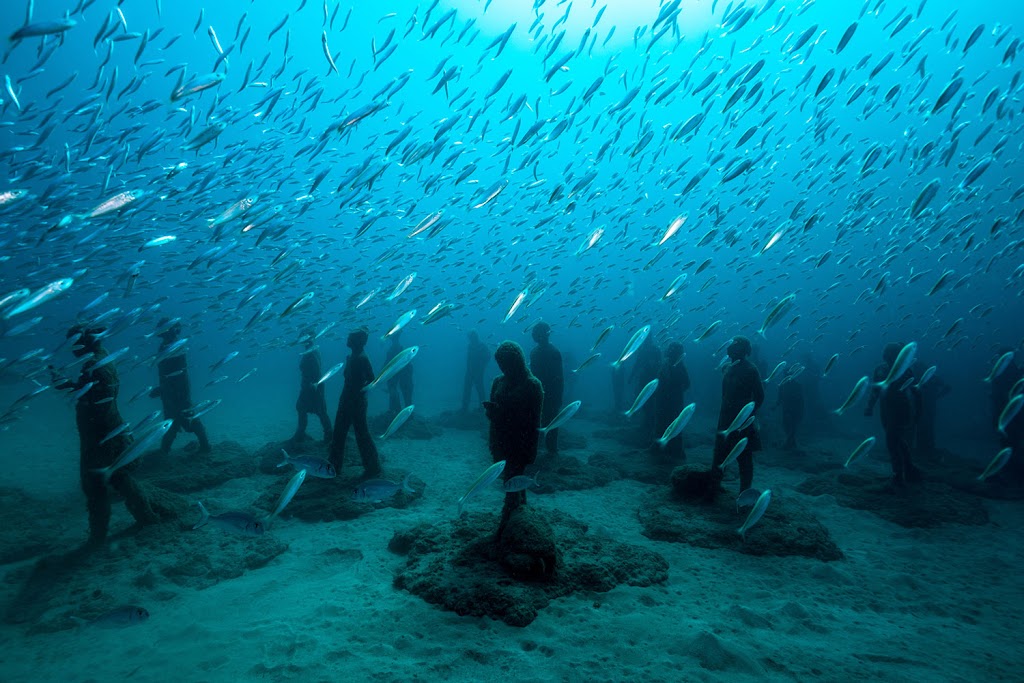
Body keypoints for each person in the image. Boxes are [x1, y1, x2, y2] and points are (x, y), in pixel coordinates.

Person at [52, 325, 159, 547]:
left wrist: (72, 390)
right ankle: (146, 518)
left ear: (86, 342)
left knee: (95, 487)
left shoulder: (94, 365)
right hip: (109, 430)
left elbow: (95, 401)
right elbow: (94, 394)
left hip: (99, 436)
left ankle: (98, 537)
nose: (72, 350)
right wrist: (71, 386)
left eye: (75, 344)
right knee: (119, 478)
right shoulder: (102, 357)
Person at [484, 341, 543, 536]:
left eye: (506, 363)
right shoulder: (498, 382)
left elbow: (534, 421)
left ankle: (509, 527)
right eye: (500, 364)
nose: (502, 368)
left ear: (517, 361)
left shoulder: (532, 385)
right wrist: (492, 413)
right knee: (514, 485)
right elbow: (495, 415)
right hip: (500, 441)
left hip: (519, 442)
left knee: (512, 485)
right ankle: (520, 523)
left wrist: (531, 450)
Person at [710, 336, 765, 498]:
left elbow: (759, 396)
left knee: (744, 456)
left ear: (743, 350)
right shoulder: (727, 368)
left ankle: (744, 492)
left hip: (742, 421)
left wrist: (748, 416)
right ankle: (714, 487)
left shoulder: (751, 369)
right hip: (725, 419)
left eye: (735, 346)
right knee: (720, 453)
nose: (730, 349)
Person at [865, 342, 923, 488]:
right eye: (887, 355)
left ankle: (898, 476)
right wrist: (870, 406)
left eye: (891, 355)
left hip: (901, 410)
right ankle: (909, 469)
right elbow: (875, 391)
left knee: (892, 442)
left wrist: (918, 413)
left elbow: (917, 393)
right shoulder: (879, 369)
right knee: (897, 439)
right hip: (885, 410)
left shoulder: (906, 371)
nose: (888, 358)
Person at [150, 318, 211, 455]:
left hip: (178, 392)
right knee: (173, 420)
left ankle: (205, 446)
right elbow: (168, 374)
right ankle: (165, 450)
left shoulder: (174, 347)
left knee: (185, 416)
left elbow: (177, 374)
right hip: (171, 392)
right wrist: (163, 389)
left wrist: (164, 390)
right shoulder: (167, 346)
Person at [329, 327, 381, 477]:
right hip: (347, 399)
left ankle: (372, 467)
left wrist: (359, 394)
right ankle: (334, 466)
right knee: (341, 433)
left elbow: (372, 380)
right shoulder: (353, 357)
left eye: (350, 337)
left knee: (360, 434)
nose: (347, 339)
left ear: (357, 341)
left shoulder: (361, 358)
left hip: (354, 401)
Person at [289, 329, 332, 444]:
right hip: (311, 385)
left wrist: (313, 385)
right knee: (316, 410)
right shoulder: (312, 350)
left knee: (318, 410)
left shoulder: (311, 352)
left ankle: (327, 435)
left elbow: (317, 370)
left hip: (312, 386)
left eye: (304, 337)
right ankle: (303, 433)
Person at [529, 322, 563, 457]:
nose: (532, 336)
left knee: (551, 422)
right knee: (537, 422)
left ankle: (552, 451)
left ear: (543, 334)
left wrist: (558, 398)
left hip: (550, 395)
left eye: (535, 333)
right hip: (537, 394)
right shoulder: (534, 352)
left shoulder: (553, 352)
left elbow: (559, 378)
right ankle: (540, 448)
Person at [990, 348, 1024, 483]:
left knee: (1010, 441)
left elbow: (998, 396)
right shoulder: (1014, 371)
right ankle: (1012, 469)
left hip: (1010, 414)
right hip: (1011, 414)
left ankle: (1012, 471)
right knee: (1012, 441)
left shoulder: (1007, 372)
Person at [654, 341, 691, 460]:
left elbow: (686, 383)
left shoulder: (679, 366)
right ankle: (664, 449)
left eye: (671, 350)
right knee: (664, 423)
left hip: (673, 402)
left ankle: (676, 451)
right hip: (665, 401)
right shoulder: (666, 364)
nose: (669, 351)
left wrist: (674, 393)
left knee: (675, 424)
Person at [630, 335, 662, 442]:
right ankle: (648, 422)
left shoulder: (651, 349)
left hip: (651, 380)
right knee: (645, 402)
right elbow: (637, 364)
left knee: (649, 402)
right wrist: (631, 376)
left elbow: (638, 365)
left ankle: (650, 423)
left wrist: (631, 376)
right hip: (647, 380)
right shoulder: (646, 349)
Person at [915, 366, 950, 462]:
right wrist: (937, 396)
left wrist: (937, 396)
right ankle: (926, 448)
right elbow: (947, 387)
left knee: (923, 427)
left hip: (923, 407)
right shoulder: (932, 377)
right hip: (927, 407)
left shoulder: (919, 378)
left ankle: (923, 448)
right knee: (927, 427)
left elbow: (947, 387)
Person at [385, 330, 414, 417]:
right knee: (404, 393)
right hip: (403, 373)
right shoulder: (399, 349)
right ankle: (400, 412)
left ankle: (397, 411)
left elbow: (387, 364)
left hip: (399, 373)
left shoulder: (393, 350)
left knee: (396, 391)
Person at [776, 367, 805, 450]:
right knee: (787, 425)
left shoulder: (797, 385)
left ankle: (790, 441)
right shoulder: (783, 385)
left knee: (791, 425)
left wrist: (801, 409)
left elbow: (801, 399)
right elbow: (780, 398)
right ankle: (791, 441)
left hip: (794, 408)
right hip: (788, 408)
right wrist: (776, 405)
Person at [461, 330, 489, 412]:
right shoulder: (470, 346)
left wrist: (481, 368)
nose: (470, 339)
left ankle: (482, 407)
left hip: (478, 371)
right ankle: (465, 407)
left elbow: (487, 357)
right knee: (467, 388)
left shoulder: (482, 346)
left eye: (471, 337)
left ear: (475, 337)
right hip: (469, 371)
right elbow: (469, 359)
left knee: (479, 388)